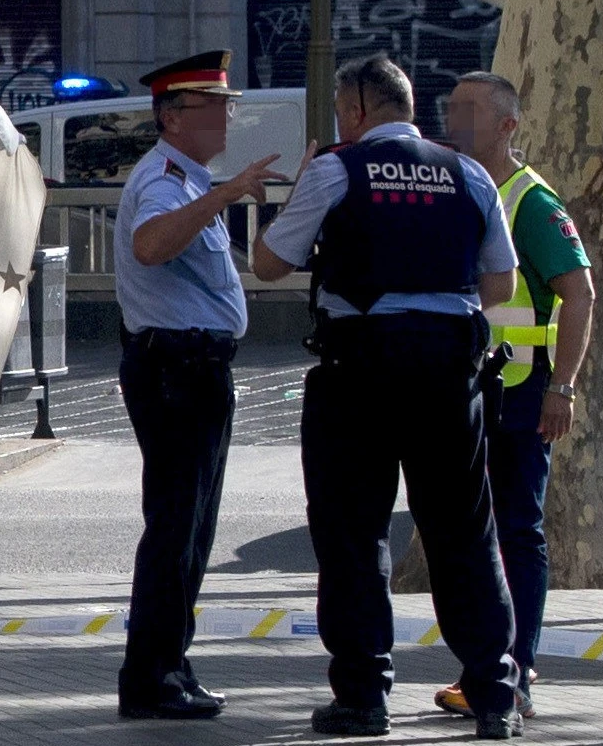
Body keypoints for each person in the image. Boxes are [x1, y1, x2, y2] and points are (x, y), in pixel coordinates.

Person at [255, 54, 525, 740]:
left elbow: (268, 261)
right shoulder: (467, 172)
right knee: (465, 532)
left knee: (353, 533)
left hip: (360, 370)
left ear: (354, 111)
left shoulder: (335, 170)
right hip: (448, 370)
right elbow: (499, 282)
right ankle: (495, 692)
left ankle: (363, 695)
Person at [113, 50, 285, 721]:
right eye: (213, 106)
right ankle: (151, 675)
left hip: (196, 370)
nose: (225, 117)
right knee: (176, 528)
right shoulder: (164, 179)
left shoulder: (187, 178)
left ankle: (169, 663)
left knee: (192, 529)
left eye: (227, 105)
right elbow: (151, 245)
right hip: (175, 370)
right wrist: (223, 193)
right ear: (171, 116)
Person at [431, 71, 595, 722]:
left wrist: (565, 384)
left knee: (517, 531)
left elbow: (579, 293)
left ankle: (516, 670)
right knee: (471, 534)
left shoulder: (529, 201)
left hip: (523, 392)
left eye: (469, 109)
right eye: (451, 107)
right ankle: (484, 668)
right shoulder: (458, 186)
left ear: (508, 125)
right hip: (463, 387)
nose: (455, 118)